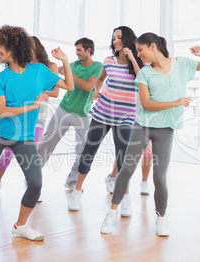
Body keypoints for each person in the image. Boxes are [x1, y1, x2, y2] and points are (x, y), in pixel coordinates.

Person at [0, 25, 74, 241]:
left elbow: (69, 86)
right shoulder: (1, 78)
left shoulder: (39, 71)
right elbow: (2, 111)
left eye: (0, 47)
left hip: (24, 137)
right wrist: (32, 105)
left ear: (14, 45)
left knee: (36, 183)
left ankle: (20, 226)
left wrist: (64, 59)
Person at [100, 32, 200, 237]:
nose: (139, 55)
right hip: (143, 125)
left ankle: (161, 219)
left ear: (153, 46)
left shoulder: (181, 64)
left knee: (160, 178)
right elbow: (146, 104)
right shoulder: (144, 73)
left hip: (166, 128)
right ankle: (112, 212)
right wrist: (175, 102)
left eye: (141, 50)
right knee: (126, 169)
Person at [68, 26, 143, 216]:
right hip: (102, 113)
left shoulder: (139, 63)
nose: (115, 41)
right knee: (88, 152)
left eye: (119, 37)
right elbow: (100, 79)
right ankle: (77, 192)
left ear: (127, 39)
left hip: (125, 117)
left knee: (124, 159)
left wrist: (133, 58)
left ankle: (125, 197)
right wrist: (96, 90)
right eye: (114, 38)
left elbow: (142, 79)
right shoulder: (108, 60)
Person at [0, 36, 60, 197]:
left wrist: (37, 88)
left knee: (33, 153)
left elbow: (55, 91)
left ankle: (32, 185)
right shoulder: (20, 68)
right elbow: (9, 99)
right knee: (7, 152)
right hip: (16, 116)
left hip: (37, 117)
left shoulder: (47, 67)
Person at [37, 37, 103, 190]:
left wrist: (68, 74)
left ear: (88, 50)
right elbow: (54, 71)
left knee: (84, 151)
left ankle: (72, 181)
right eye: (75, 50)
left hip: (83, 115)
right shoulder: (72, 65)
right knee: (47, 143)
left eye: (79, 50)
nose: (76, 53)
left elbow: (88, 86)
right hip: (64, 109)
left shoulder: (97, 66)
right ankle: (33, 174)